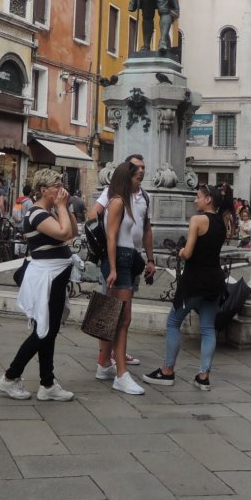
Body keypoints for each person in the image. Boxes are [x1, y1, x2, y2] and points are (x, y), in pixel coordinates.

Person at [0, 169, 78, 402]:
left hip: (55, 277)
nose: (61, 190)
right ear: (44, 190)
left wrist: (66, 207)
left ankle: (47, 383)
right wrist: (61, 207)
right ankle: (10, 377)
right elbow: (64, 233)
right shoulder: (36, 213)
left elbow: (73, 231)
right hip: (47, 278)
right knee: (44, 332)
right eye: (57, 187)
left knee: (48, 331)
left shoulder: (49, 212)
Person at [143, 183, 230, 391]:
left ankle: (167, 370)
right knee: (208, 328)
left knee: (173, 322)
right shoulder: (222, 222)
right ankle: (203, 376)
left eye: (198, 196)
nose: (195, 200)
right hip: (215, 281)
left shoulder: (197, 220)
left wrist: (180, 251)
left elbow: (188, 253)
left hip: (194, 280)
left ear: (208, 199)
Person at [97, 160, 154, 395]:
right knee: (123, 318)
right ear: (125, 177)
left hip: (127, 258)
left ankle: (104, 365)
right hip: (119, 259)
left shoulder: (128, 200)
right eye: (135, 173)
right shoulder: (118, 201)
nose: (140, 175)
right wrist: (112, 268)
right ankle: (121, 374)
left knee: (116, 316)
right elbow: (111, 237)